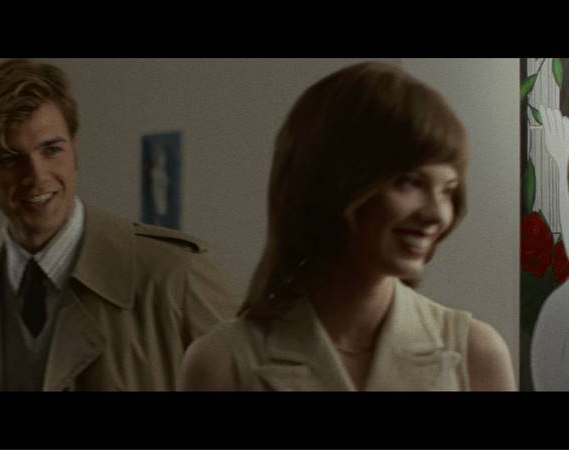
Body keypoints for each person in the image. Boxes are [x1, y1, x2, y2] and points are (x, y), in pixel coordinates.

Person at [178, 62, 516, 391]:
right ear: (334, 181)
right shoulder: (221, 363)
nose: (437, 215)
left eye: (447, 190)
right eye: (409, 182)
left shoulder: (475, 354)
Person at [0, 59, 236, 391]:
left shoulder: (173, 274)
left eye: (51, 150)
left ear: (75, 148)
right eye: (10, 159)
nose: (36, 176)